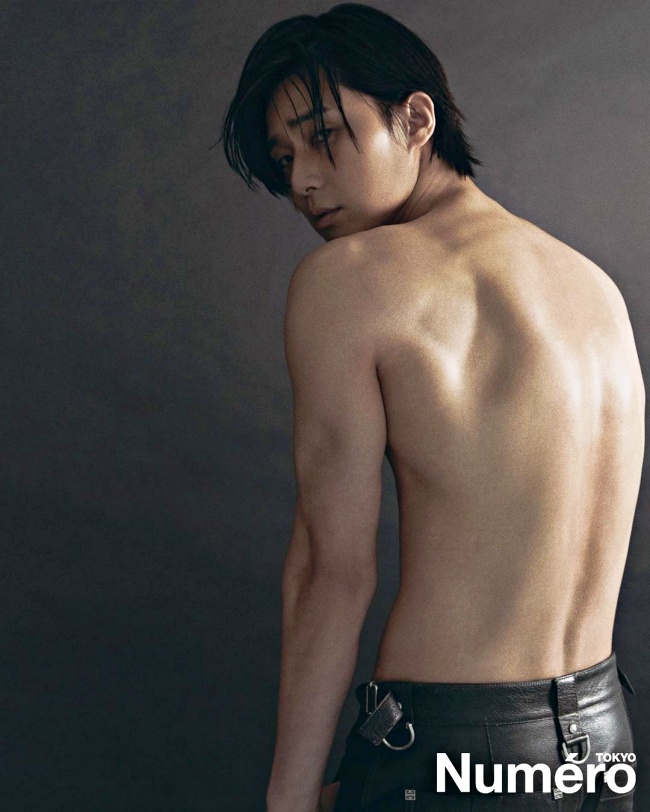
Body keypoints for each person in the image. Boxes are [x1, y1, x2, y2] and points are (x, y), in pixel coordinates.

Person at [218, 4, 645, 810]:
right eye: (283, 159)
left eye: (322, 136)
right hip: (601, 742)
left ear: (417, 120)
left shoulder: (349, 281)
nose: (301, 181)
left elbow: (332, 569)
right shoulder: (593, 288)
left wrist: (288, 796)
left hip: (452, 743)